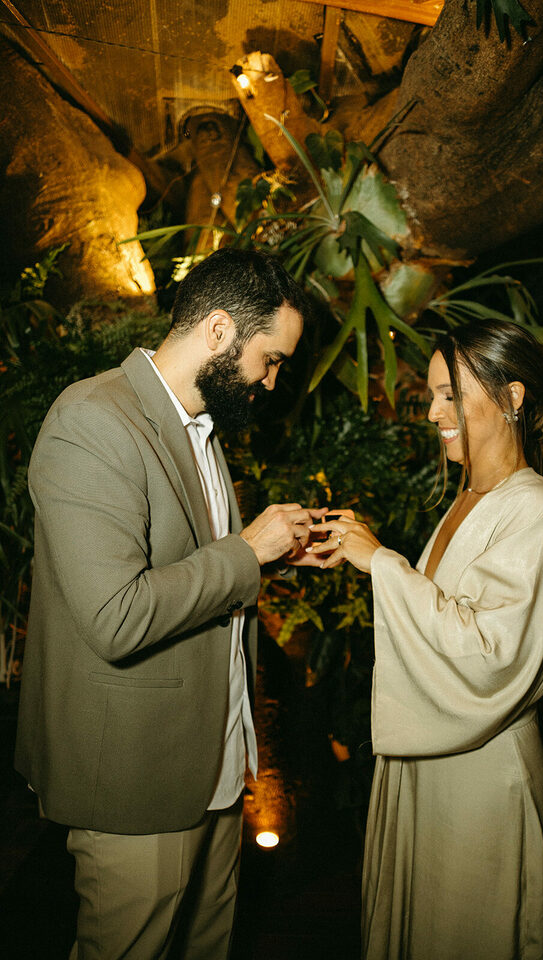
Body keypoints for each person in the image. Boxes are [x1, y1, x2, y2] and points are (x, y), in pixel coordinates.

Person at [15, 247, 325, 960]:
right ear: (219, 331)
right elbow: (116, 616)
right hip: (137, 774)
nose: (272, 381)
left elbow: (194, 573)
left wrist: (270, 556)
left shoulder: (202, 428)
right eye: (270, 360)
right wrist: (246, 553)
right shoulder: (92, 420)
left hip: (215, 768)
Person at [307, 319, 543, 960]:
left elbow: (490, 656)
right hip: (430, 763)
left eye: (450, 395)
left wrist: (381, 563)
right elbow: (440, 617)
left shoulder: (540, 510)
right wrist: (356, 553)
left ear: (512, 397)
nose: (433, 413)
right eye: (433, 395)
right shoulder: (467, 499)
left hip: (483, 781)